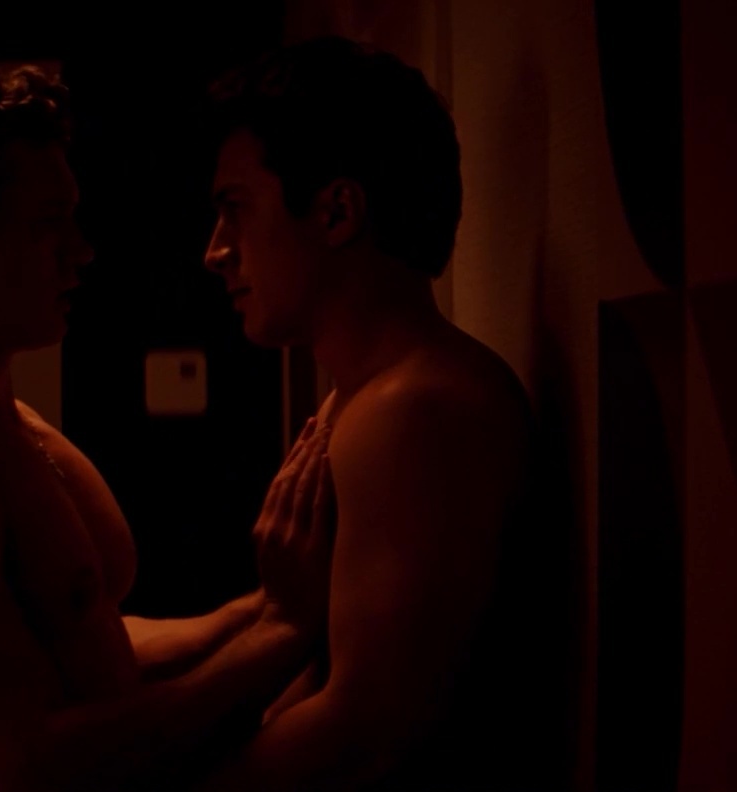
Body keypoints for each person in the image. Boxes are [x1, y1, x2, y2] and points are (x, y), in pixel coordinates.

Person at [0, 60, 337, 792]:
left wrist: (268, 607)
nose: (82, 252)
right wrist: (281, 634)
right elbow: (24, 767)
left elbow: (82, 645)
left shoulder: (7, 422)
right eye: (48, 223)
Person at [194, 36, 569, 790]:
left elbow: (363, 736)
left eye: (235, 210)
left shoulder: (415, 409)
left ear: (336, 211)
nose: (215, 251)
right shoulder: (367, 397)